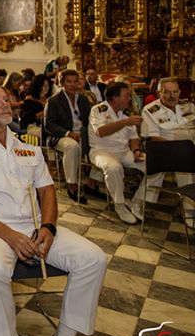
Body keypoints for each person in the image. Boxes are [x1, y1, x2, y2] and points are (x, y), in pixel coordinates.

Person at [0, 83, 107, 336]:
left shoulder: (28, 146)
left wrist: (48, 227)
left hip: (34, 227)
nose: (5, 105)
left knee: (93, 258)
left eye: (6, 100)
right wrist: (9, 236)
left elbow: (47, 192)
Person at [88, 82, 147, 224]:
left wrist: (137, 150)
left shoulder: (126, 113)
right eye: (126, 96)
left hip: (124, 151)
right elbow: (101, 132)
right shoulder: (98, 110)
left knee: (154, 166)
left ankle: (136, 201)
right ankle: (119, 205)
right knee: (113, 167)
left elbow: (133, 137)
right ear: (115, 97)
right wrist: (126, 122)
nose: (130, 99)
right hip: (101, 151)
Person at [44, 69, 105, 203]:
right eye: (69, 82)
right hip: (61, 136)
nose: (72, 85)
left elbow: (90, 120)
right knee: (72, 146)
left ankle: (91, 183)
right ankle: (72, 186)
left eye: (75, 81)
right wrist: (69, 134)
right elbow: (48, 125)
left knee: (103, 144)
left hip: (82, 134)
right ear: (62, 83)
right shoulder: (53, 101)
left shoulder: (83, 100)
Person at [141, 77, 195, 222]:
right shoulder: (150, 110)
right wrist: (180, 150)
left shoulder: (188, 106)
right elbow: (153, 137)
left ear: (179, 92)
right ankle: (189, 211)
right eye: (167, 92)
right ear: (159, 93)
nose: (172, 96)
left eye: (175, 92)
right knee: (186, 167)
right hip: (164, 148)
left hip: (190, 147)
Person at [19, 74, 52, 139]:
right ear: (37, 86)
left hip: (48, 126)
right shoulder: (29, 100)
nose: (45, 88)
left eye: (47, 85)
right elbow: (27, 119)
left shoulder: (50, 99)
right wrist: (45, 112)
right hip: (33, 127)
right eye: (43, 85)